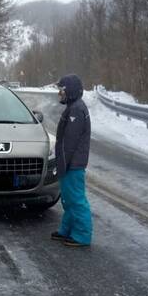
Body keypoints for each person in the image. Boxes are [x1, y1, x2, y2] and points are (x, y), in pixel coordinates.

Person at [50, 74, 93, 247]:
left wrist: (63, 164)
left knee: (76, 200)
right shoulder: (73, 107)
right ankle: (66, 230)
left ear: (71, 91)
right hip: (69, 164)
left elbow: (69, 142)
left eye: (62, 90)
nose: (60, 93)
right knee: (68, 199)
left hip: (73, 165)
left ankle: (82, 235)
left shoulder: (76, 110)